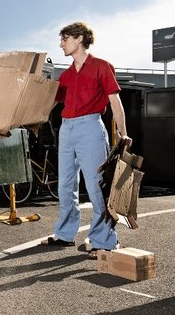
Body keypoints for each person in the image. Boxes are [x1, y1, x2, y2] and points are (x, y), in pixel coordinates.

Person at [41, 21, 132, 259]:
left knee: (96, 184)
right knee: (66, 184)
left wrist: (123, 133)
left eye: (65, 39)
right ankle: (64, 234)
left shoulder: (102, 67)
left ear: (79, 38)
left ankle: (104, 240)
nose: (61, 44)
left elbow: (115, 102)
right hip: (67, 129)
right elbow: (49, 104)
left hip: (90, 127)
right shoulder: (66, 75)